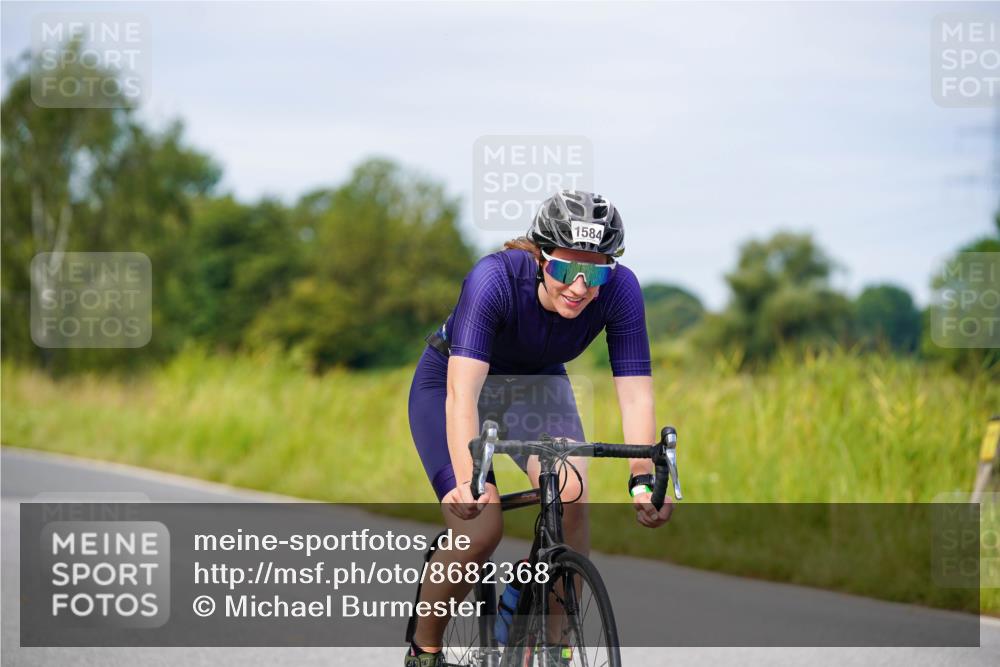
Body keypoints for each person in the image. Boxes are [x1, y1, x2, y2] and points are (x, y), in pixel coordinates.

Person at [405, 190, 672, 666]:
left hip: (537, 384)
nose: (580, 287)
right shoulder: (494, 279)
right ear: (539, 254)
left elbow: (635, 393)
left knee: (570, 494)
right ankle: (424, 649)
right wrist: (469, 479)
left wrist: (643, 477)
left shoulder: (622, 291)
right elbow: (461, 394)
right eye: (567, 269)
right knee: (480, 527)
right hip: (454, 382)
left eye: (596, 272)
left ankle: (553, 645)